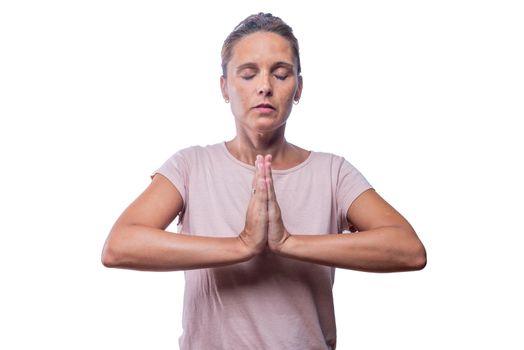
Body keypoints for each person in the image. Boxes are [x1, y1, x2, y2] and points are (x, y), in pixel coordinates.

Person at [101, 12, 426, 350]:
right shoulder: (191, 166)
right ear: (225, 87)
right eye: (248, 73)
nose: (265, 86)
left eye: (281, 73)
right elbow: (119, 246)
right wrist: (242, 245)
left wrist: (287, 243)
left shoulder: (333, 173)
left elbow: (409, 251)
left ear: (298, 87)